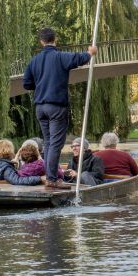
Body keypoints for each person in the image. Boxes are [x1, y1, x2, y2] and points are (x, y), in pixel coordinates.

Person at [22, 27, 98, 190]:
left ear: (41, 41)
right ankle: (52, 178)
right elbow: (78, 59)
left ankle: (51, 176)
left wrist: (41, 83)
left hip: (40, 107)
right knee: (55, 143)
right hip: (56, 106)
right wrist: (90, 53)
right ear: (54, 39)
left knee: (49, 142)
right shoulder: (60, 57)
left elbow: (27, 84)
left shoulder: (34, 61)